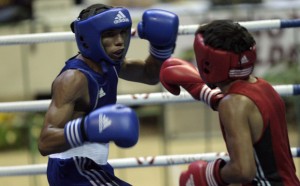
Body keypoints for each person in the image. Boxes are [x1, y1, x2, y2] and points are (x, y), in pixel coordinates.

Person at [37, 4, 181, 186]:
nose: (120, 41)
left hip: (94, 168)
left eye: (122, 32)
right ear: (89, 38)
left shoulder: (110, 64)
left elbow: (149, 75)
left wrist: (160, 49)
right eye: (110, 34)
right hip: (73, 169)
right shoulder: (73, 79)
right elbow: (45, 142)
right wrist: (86, 129)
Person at [160, 20, 300, 185]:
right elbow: (246, 115)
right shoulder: (263, 87)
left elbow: (243, 170)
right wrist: (205, 93)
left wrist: (206, 176)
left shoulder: (233, 104)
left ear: (207, 64)